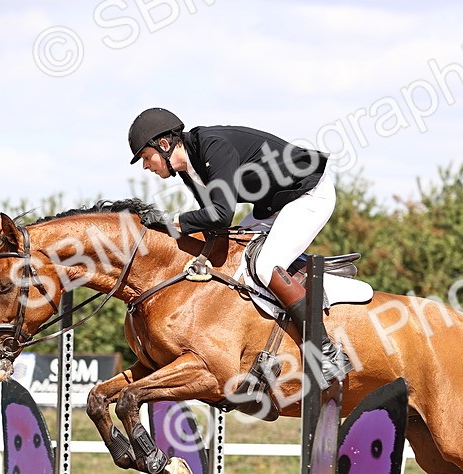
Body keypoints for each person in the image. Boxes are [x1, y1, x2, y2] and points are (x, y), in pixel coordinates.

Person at [128, 107, 348, 381]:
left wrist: (168, 220)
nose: (147, 166)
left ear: (164, 144)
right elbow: (216, 226)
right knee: (232, 259)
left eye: (147, 158)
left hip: (308, 194)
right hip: (273, 205)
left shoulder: (212, 148)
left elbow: (221, 214)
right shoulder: (188, 169)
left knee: (266, 265)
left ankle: (325, 352)